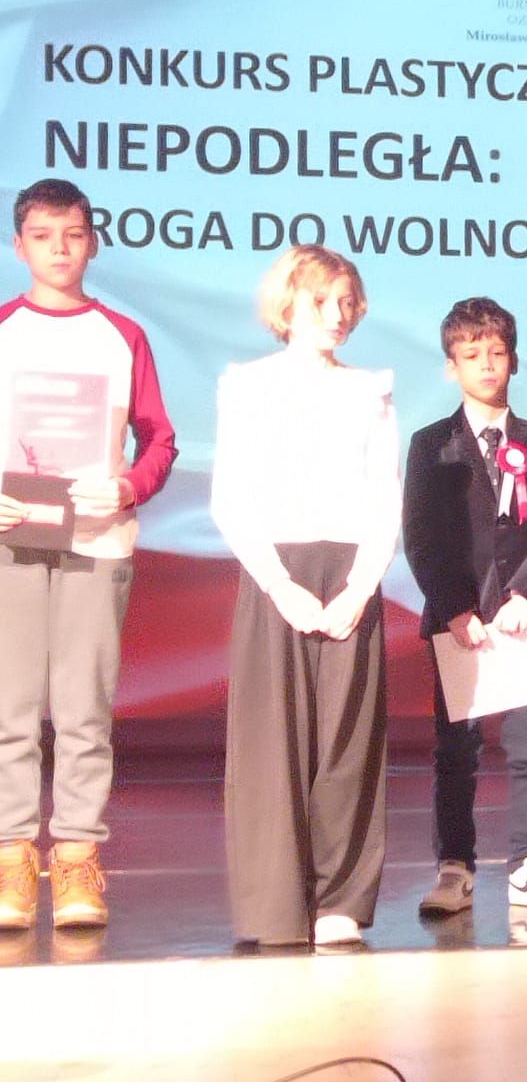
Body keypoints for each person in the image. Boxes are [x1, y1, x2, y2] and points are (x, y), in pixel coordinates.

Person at [0, 178, 177, 933]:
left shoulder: (121, 335)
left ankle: (76, 857)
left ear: (93, 243)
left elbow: (159, 437)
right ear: (19, 245)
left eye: (73, 235)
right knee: (9, 709)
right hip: (10, 540)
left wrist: (128, 487)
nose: (60, 250)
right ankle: (11, 858)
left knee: (84, 710)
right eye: (43, 236)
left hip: (96, 540)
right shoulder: (3, 327)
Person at [211, 245, 400, 949]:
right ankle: (275, 905)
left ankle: (340, 900)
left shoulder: (370, 390)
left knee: (347, 742)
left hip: (349, 570)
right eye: (323, 301)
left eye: (347, 302)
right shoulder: (248, 385)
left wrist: (361, 585)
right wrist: (280, 586)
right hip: (277, 572)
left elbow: (385, 496)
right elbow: (231, 498)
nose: (337, 314)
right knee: (273, 741)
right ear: (288, 304)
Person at [404, 296, 527, 921]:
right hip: (461, 623)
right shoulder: (431, 445)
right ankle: (455, 867)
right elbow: (421, 535)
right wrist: (455, 608)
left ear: (514, 360)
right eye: (472, 354)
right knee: (456, 749)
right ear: (451, 365)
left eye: (497, 353)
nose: (486, 365)